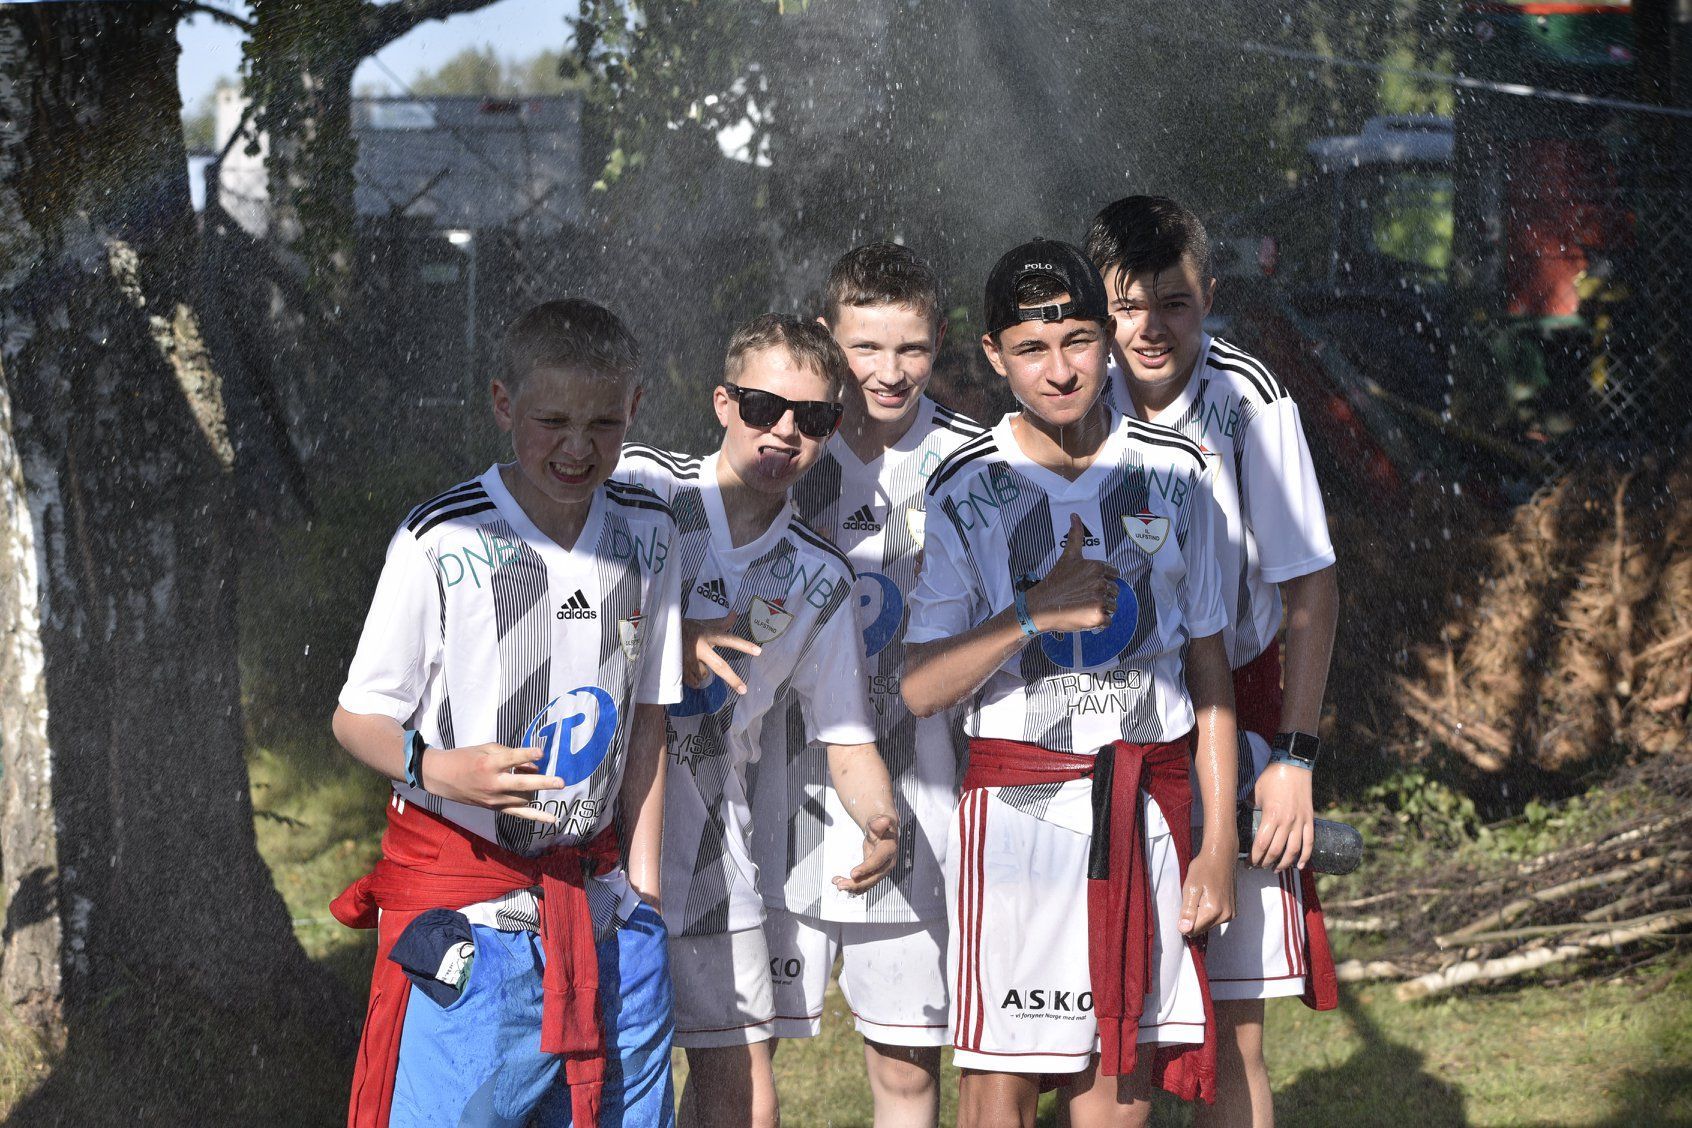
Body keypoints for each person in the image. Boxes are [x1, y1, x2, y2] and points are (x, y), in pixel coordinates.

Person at [902, 238, 1239, 1128]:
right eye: (1032, 350)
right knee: (996, 1101)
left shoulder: (1181, 471)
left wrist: (1216, 846)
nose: (1060, 371)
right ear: (992, 356)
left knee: (1118, 1100)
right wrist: (1031, 615)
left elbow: (1209, 672)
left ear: (1110, 338)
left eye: (1079, 341)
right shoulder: (965, 488)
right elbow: (918, 689)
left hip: (1148, 817)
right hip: (1017, 824)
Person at [329, 298, 682, 1127]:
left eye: (602, 421)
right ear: (502, 405)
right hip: (471, 918)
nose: (577, 445)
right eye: (551, 419)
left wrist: (647, 896)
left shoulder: (652, 533)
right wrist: (436, 767)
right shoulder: (440, 539)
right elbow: (355, 718)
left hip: (602, 909)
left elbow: (649, 722)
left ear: (633, 407)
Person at [1083, 195, 1341, 1127]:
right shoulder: (1071, 395)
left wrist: (1298, 763)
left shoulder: (1252, 405)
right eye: (1126, 306)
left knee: (1233, 1034)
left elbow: (1310, 589)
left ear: (1210, 295)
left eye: (1174, 304)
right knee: (1117, 1029)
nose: (1149, 330)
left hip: (1240, 716)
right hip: (1109, 729)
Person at [616, 313, 901, 1128]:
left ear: (830, 431)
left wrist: (880, 818)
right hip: (594, 842)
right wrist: (676, 635)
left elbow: (846, 733)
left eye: (810, 418)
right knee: (590, 1077)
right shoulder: (639, 489)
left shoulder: (820, 576)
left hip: (713, 854)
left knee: (740, 1096)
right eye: (763, 406)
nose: (784, 431)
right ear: (721, 401)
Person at [747, 243, 984, 1128]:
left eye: (911, 349)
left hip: (916, 797)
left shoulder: (973, 462)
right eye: (866, 348)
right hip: (774, 793)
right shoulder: (777, 449)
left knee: (906, 1071)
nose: (889, 372)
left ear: (941, 343)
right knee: (739, 1060)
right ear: (824, 337)